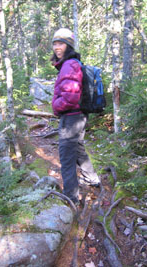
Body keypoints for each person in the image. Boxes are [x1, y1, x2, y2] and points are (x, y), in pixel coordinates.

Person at [51, 28, 100, 204]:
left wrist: (55, 108)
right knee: (78, 148)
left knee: (66, 157)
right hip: (79, 116)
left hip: (71, 117)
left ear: (68, 46)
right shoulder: (71, 64)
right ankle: (92, 178)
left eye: (61, 43)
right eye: (55, 43)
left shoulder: (69, 65)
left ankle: (71, 197)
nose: (57, 47)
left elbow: (70, 96)